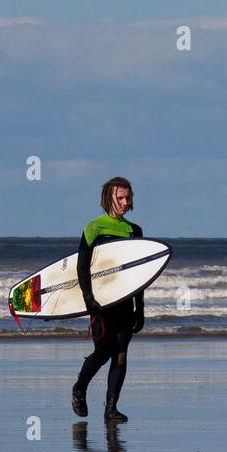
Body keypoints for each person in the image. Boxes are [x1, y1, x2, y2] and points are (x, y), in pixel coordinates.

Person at [71, 176, 146, 422]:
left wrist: (140, 307)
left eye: (128, 198)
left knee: (121, 354)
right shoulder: (94, 228)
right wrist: (88, 299)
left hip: (125, 304)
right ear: (108, 198)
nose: (125, 202)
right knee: (103, 352)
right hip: (101, 303)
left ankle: (110, 409)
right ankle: (79, 388)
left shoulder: (134, 231)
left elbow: (138, 273)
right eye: (120, 198)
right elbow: (82, 267)